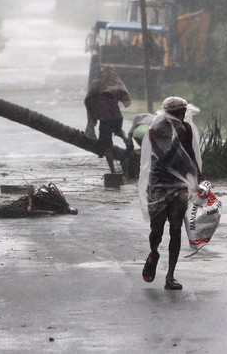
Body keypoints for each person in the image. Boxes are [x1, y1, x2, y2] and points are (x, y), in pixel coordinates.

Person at [137, 96, 202, 291]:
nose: (183, 116)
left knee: (176, 228)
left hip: (179, 184)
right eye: (179, 113)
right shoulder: (157, 130)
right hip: (159, 183)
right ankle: (154, 252)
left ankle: (170, 275)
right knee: (157, 229)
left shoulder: (187, 129)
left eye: (184, 112)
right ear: (170, 114)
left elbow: (190, 155)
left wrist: (199, 178)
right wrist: (176, 138)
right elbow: (165, 156)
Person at [84, 66, 132, 174]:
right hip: (117, 117)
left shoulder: (96, 87)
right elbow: (123, 92)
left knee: (107, 147)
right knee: (118, 131)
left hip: (106, 119)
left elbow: (88, 99)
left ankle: (113, 171)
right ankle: (125, 139)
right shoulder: (114, 87)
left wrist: (93, 116)